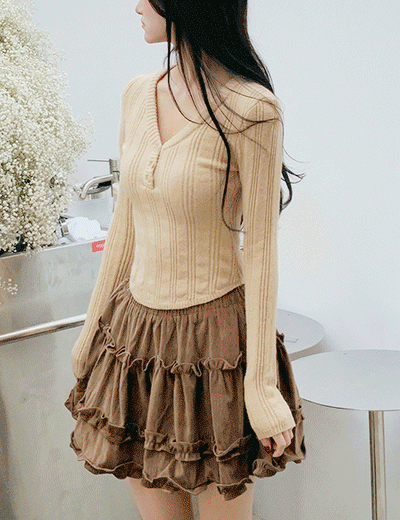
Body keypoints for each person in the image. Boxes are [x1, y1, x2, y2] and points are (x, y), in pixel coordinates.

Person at [64, 0, 306, 518]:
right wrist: (90, 334)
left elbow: (261, 251)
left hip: (214, 348)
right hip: (135, 345)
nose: (136, 6)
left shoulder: (252, 109)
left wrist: (261, 387)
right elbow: (125, 226)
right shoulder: (137, 94)